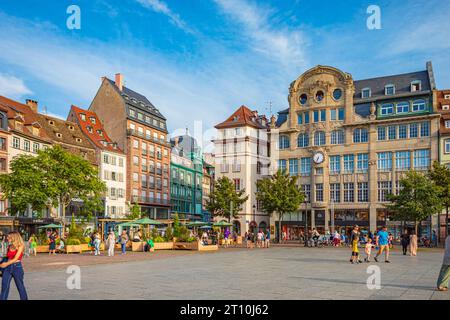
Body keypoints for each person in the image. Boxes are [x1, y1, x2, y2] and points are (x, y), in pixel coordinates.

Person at [0, 231, 28, 300]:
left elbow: (16, 258)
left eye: (8, 237)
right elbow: (8, 257)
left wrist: (6, 264)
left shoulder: (20, 246)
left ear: (13, 237)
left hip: (17, 267)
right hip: (7, 268)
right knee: (4, 287)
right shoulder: (9, 246)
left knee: (20, 287)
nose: (7, 238)